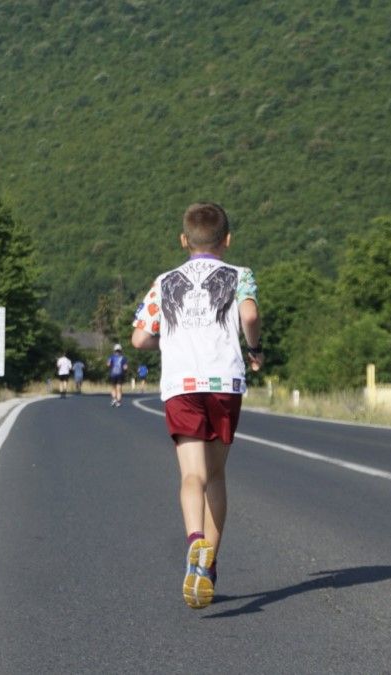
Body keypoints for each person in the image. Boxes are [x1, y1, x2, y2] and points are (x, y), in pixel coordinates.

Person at [130, 202, 263, 609]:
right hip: (224, 382)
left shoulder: (165, 281)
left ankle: (194, 541)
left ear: (184, 240)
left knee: (192, 474)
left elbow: (139, 338)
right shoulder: (240, 275)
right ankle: (209, 567)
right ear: (227, 239)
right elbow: (250, 315)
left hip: (182, 384)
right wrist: (255, 349)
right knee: (217, 476)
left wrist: (165, 341)